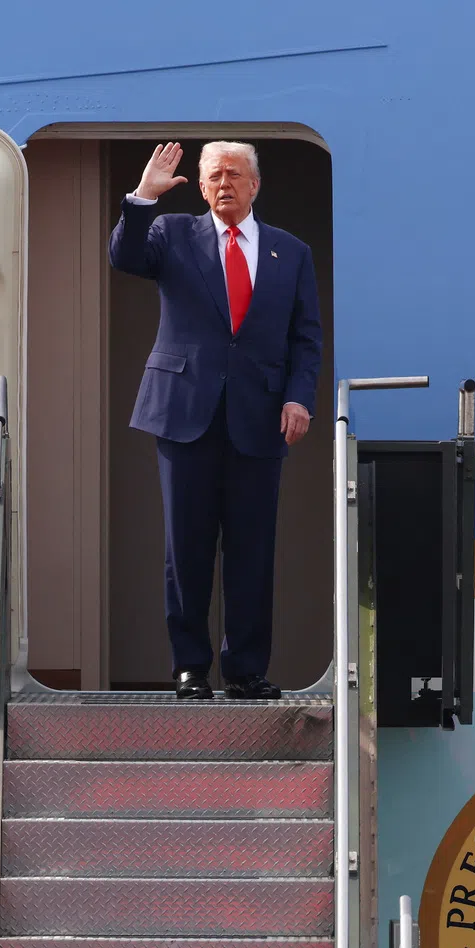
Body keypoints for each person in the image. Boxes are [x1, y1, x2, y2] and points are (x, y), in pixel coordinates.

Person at [109, 141, 322, 700]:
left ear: (255, 184)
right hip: (184, 412)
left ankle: (246, 670)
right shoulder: (171, 233)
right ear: (200, 188)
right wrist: (142, 197)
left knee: (252, 550)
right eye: (212, 176)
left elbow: (306, 338)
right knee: (188, 548)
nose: (223, 183)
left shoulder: (290, 252)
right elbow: (125, 258)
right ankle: (190, 667)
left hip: (260, 417)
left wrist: (300, 398)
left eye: (233, 174)